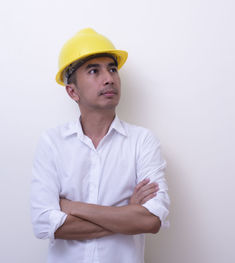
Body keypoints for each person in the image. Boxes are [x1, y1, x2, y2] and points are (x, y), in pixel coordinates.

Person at [30, 28, 170, 263]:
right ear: (72, 91)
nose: (109, 78)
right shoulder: (52, 142)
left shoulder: (143, 141)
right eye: (94, 71)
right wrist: (127, 213)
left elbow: (151, 221)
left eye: (112, 69)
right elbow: (45, 225)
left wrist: (72, 207)